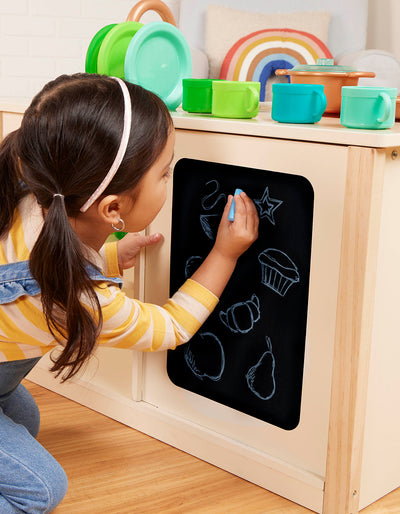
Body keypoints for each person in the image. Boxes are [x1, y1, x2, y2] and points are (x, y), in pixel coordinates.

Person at [0, 73, 259, 513]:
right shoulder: (87, 299)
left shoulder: (30, 196)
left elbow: (37, 277)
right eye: (165, 172)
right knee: (41, 490)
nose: (169, 181)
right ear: (113, 208)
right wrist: (225, 254)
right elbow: (172, 327)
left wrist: (113, 255)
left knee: (27, 420)